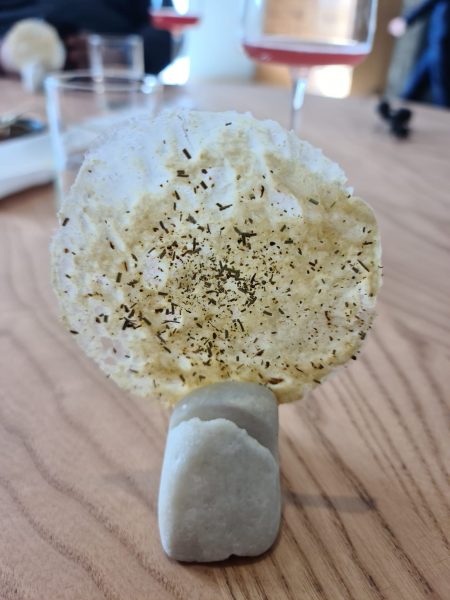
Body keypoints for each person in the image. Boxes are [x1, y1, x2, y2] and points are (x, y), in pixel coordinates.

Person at [0, 0, 173, 75]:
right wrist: (8, 54)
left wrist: (121, 54)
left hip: (111, 94)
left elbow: (166, 30)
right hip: (17, 98)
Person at [389, 0, 450, 108]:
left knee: (442, 94)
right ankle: (397, 111)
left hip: (442, 47)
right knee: (412, 90)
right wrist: (406, 21)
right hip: (436, 46)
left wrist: (406, 21)